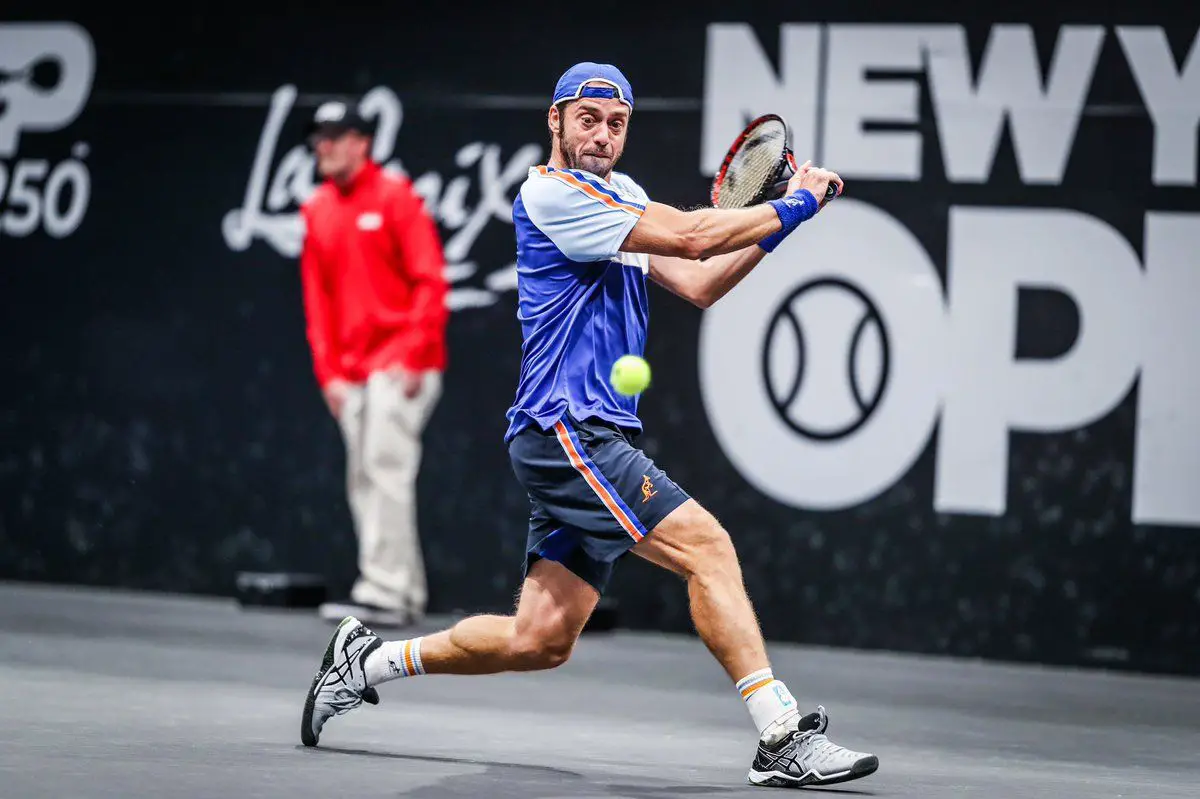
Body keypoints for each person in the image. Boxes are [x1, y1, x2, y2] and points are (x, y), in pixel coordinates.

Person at [300, 64, 879, 789]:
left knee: (538, 639)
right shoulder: (552, 194)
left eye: (616, 124)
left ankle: (366, 662)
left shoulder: (622, 196)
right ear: (556, 121)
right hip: (566, 430)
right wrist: (794, 203)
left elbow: (700, 281)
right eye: (588, 120)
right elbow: (696, 237)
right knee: (708, 548)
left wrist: (788, 223)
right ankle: (782, 736)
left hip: (581, 436)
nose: (603, 135)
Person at [298, 98, 449, 629]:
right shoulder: (317, 209)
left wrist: (414, 353)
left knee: (385, 470)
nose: (323, 146)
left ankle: (384, 590)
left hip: (402, 363)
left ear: (362, 143)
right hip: (352, 372)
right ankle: (399, 591)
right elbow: (317, 302)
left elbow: (430, 280)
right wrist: (329, 374)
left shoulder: (396, 197)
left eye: (334, 137)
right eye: (318, 138)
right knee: (365, 476)